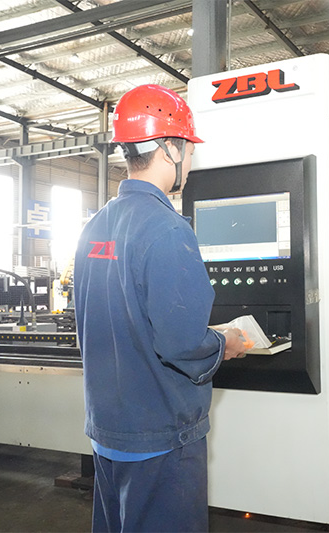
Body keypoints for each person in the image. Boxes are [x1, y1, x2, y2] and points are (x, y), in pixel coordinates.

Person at [74, 84, 253, 532]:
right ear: (171, 149)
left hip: (108, 431)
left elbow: (94, 324)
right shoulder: (168, 229)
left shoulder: (94, 227)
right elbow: (181, 343)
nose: (189, 160)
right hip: (160, 436)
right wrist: (225, 343)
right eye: (189, 150)